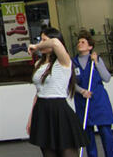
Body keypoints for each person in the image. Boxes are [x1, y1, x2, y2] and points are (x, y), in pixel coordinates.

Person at [26, 27, 89, 157]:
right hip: (42, 111)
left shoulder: (63, 60)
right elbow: (38, 93)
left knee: (67, 151)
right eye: (40, 40)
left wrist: (36, 46)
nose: (42, 43)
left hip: (59, 111)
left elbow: (55, 42)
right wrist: (31, 118)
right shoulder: (39, 63)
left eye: (44, 40)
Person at [73, 30, 113, 157]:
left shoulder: (96, 60)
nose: (79, 44)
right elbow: (70, 83)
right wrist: (81, 91)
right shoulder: (73, 62)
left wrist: (97, 62)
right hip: (82, 102)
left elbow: (106, 78)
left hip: (99, 102)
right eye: (78, 42)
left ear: (90, 46)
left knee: (106, 134)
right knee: (88, 138)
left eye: (83, 42)